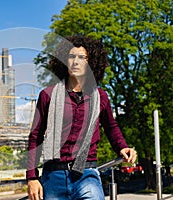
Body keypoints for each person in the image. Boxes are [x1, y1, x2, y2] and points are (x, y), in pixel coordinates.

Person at [26, 35, 137, 200]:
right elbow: (35, 137)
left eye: (81, 57)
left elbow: (111, 127)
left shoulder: (101, 97)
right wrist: (32, 177)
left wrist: (122, 147)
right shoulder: (47, 95)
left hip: (86, 173)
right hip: (53, 175)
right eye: (71, 56)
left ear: (90, 62)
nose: (75, 61)